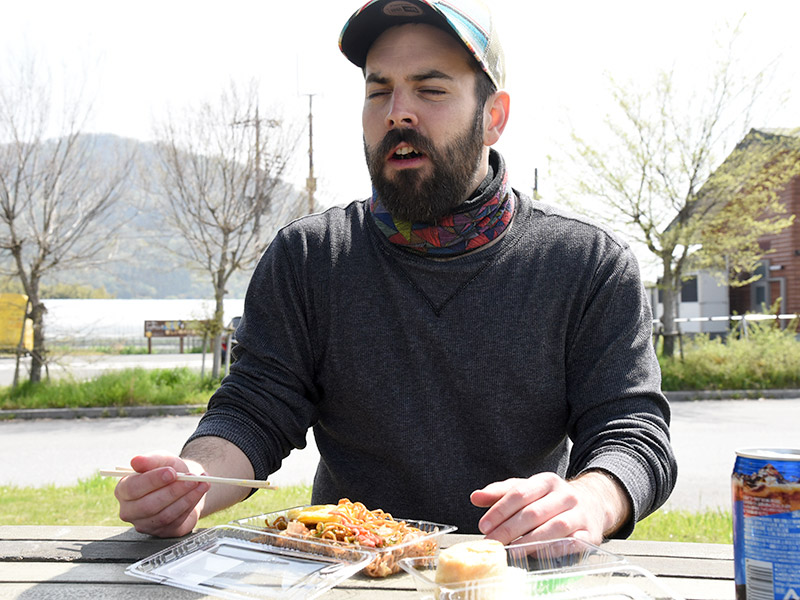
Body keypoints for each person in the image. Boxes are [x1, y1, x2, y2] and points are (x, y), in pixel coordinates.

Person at [115, 0, 677, 544]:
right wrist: (191, 483)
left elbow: (632, 434)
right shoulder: (309, 257)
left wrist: (590, 501)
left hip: (512, 575)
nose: (397, 112)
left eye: (430, 89)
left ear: (493, 117)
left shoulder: (588, 265)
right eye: (378, 89)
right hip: (347, 571)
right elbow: (256, 409)